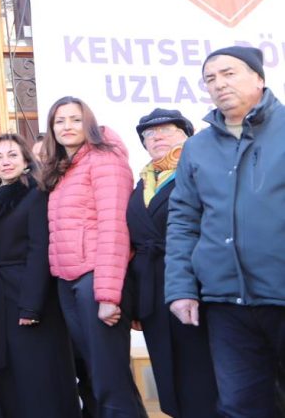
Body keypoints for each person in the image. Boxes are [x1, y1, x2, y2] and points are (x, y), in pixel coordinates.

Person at [167, 46, 285, 417]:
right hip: (226, 303)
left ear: (259, 78)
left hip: (281, 292)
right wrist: (182, 289)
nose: (219, 84)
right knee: (239, 405)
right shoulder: (197, 147)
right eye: (210, 78)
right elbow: (183, 220)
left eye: (228, 73)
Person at [41, 96, 148, 418]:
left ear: (88, 123)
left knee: (108, 379)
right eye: (60, 121)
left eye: (75, 119)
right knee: (98, 376)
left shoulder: (105, 159)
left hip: (95, 281)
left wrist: (108, 294)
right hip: (68, 279)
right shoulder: (63, 167)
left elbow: (114, 227)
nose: (67, 127)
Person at [0, 133, 80, 417]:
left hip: (27, 295)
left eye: (12, 155)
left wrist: (31, 305)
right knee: (5, 373)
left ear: (25, 159)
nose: (5, 162)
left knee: (35, 372)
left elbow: (39, 249)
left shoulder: (36, 193)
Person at [125, 108, 218, 417]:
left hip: (195, 285)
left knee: (201, 370)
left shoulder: (200, 170)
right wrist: (136, 301)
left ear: (186, 135)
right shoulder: (143, 182)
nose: (157, 137)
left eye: (167, 130)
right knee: (167, 370)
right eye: (150, 134)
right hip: (153, 291)